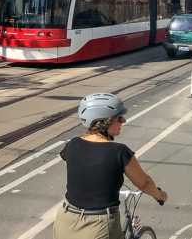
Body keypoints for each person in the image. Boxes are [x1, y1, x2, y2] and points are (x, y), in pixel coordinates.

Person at [53, 92, 168, 239]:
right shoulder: (119, 152)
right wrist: (160, 196)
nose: (124, 121)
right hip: (99, 227)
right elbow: (144, 183)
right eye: (119, 118)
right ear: (105, 122)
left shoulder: (71, 145)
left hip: (65, 221)